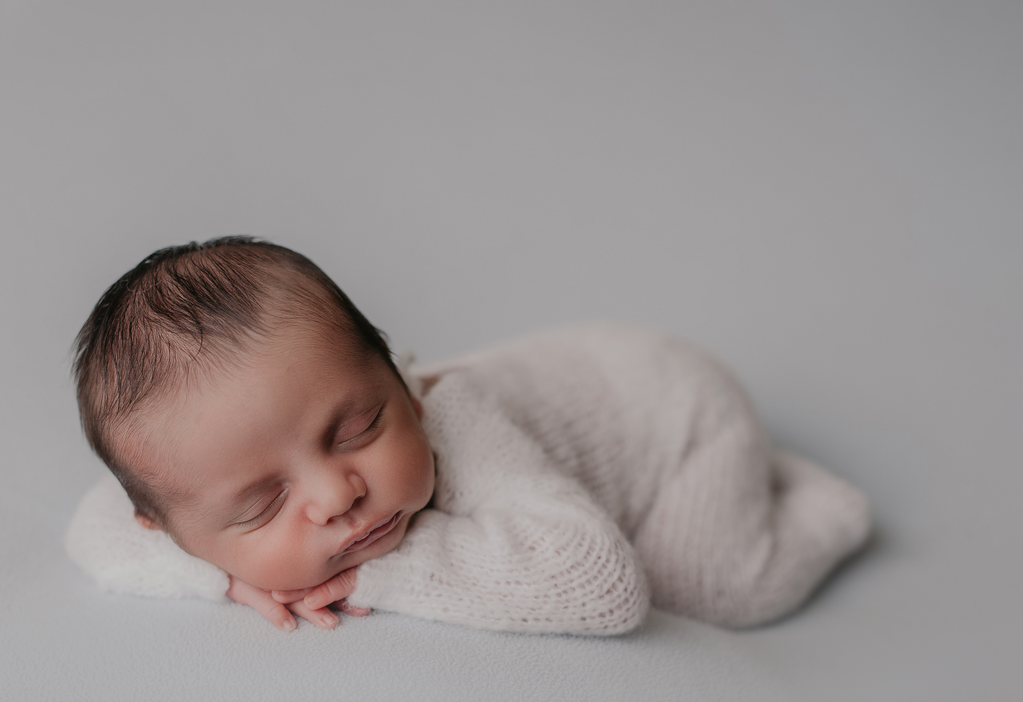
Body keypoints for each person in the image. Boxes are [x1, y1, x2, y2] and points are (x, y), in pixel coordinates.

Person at [67, 237, 870, 635]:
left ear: (399, 380)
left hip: (672, 410)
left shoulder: (459, 423)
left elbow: (604, 584)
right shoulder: (177, 490)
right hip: (598, 363)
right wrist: (218, 579)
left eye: (358, 426)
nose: (337, 492)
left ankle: (816, 499)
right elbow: (95, 528)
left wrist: (377, 577)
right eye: (264, 502)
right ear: (165, 524)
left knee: (713, 590)